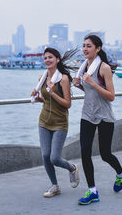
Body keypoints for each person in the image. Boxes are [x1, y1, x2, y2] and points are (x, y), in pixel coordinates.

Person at [73, 34, 122, 205]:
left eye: (89, 46)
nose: (85, 49)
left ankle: (120, 172)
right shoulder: (83, 68)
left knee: (105, 154)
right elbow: (91, 93)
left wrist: (92, 83)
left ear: (98, 49)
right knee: (84, 151)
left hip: (104, 116)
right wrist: (80, 85)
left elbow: (111, 96)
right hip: (87, 114)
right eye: (83, 46)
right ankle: (92, 191)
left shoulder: (103, 68)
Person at [31, 47, 80, 198]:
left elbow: (67, 103)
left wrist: (52, 92)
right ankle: (55, 186)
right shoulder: (42, 78)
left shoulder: (63, 78)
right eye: (45, 58)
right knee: (45, 156)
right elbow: (46, 100)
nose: (47, 60)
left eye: (50, 57)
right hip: (44, 121)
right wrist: (37, 97)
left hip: (60, 123)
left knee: (54, 158)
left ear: (57, 59)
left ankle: (72, 168)